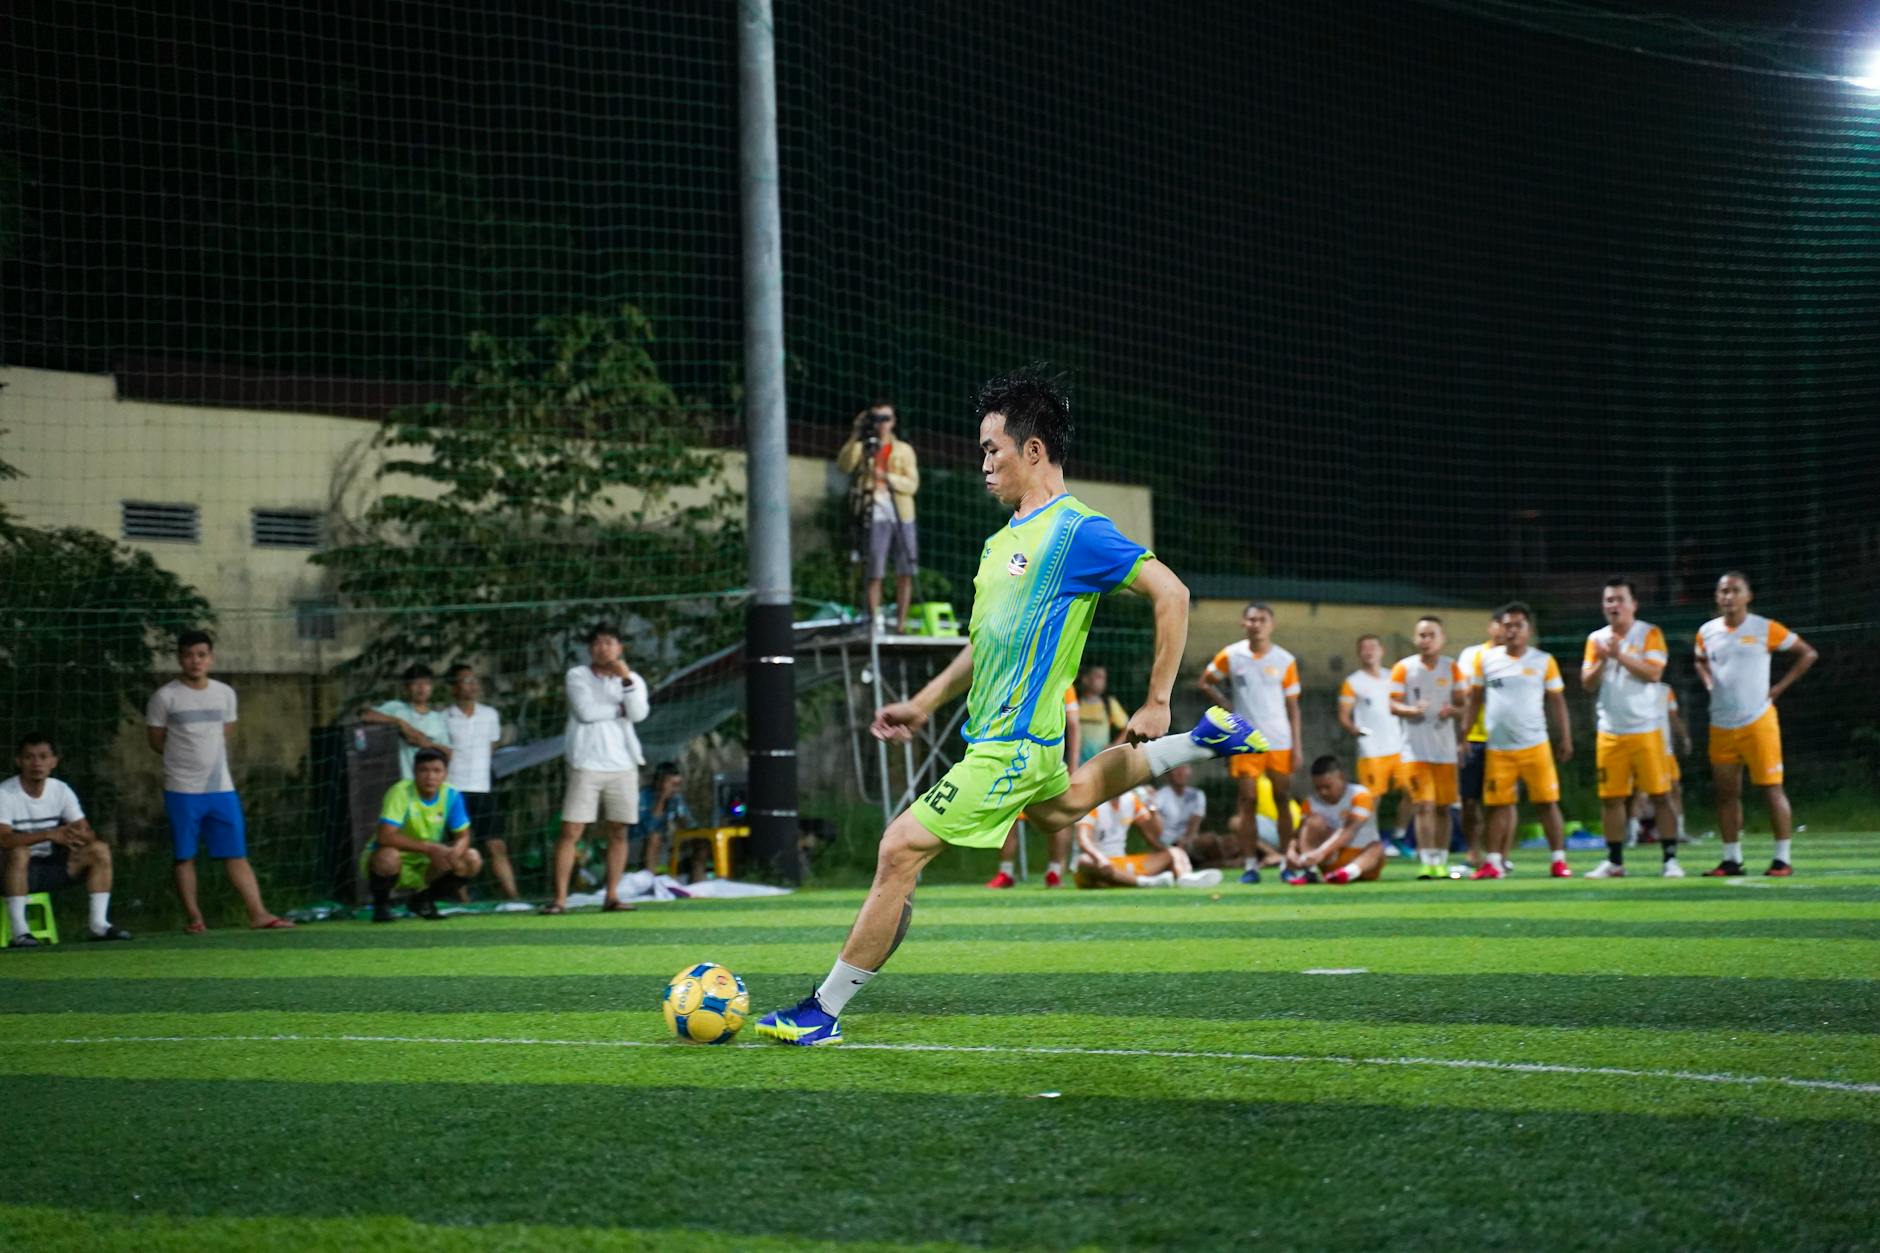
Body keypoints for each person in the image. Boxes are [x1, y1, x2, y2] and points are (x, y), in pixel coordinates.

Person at [755, 365, 1265, 1046]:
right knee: (1063, 805)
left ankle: (822, 1010)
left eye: (992, 449)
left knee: (899, 848)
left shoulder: (1075, 530)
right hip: (1012, 741)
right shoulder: (1001, 543)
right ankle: (1203, 741)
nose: (984, 464)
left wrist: (1156, 699)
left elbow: (1171, 592)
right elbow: (985, 644)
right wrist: (924, 702)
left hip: (1014, 746)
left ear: (1033, 450)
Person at [146, 631, 293, 932]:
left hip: (221, 788)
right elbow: (156, 740)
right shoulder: (165, 697)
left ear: (211, 658)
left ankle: (258, 913)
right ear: (180, 659)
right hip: (182, 789)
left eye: (201, 655)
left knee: (235, 852)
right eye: (189, 655)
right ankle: (195, 918)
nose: (195, 661)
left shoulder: (225, 694)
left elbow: (225, 731)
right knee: (184, 855)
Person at [1694, 570, 1817, 877]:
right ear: (1717, 596)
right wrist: (1708, 681)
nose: (1728, 596)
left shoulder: (1764, 628)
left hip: (1758, 722)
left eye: (1735, 590)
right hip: (1721, 724)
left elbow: (1807, 653)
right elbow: (1699, 658)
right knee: (1726, 794)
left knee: (1772, 789)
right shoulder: (1707, 632)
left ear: (1748, 596)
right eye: (1723, 591)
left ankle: (1782, 859)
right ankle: (1731, 860)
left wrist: (1779, 688)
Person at [1464, 603, 1573, 881]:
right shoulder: (1486, 659)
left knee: (1547, 803)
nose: (1512, 631)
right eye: (1507, 625)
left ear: (1529, 629)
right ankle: (1493, 862)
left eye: (1518, 625)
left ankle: (1558, 861)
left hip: (1535, 745)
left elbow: (1557, 701)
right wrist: (1463, 735)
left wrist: (1565, 737)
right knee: (1496, 805)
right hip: (1499, 748)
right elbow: (1474, 700)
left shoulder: (1543, 661)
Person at [545, 624, 650, 914]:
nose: (603, 648)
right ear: (590, 649)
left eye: (609, 642)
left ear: (620, 648)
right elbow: (586, 712)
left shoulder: (633, 679)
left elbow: (639, 713)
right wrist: (619, 709)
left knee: (619, 830)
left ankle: (612, 895)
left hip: (624, 764)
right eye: (597, 643)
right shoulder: (577, 675)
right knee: (572, 829)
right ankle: (560, 899)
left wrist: (626, 680)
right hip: (586, 763)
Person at [1580, 578, 1676, 879]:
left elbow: (1654, 673)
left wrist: (1620, 655)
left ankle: (1670, 860)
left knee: (1661, 795)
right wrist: (1603, 660)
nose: (1614, 605)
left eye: (1620, 599)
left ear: (1634, 604)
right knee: (1611, 798)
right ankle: (1614, 861)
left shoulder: (1649, 633)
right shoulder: (1596, 639)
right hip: (1610, 731)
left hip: (1646, 728)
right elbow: (1587, 683)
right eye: (1609, 600)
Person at [1200, 603, 1302, 883]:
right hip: (1244, 740)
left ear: (1272, 624)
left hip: (1280, 740)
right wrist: (1228, 707)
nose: (1257, 624)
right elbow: (1206, 682)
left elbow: (1293, 707)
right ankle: (1250, 865)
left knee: (1282, 798)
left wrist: (1297, 746)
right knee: (1247, 801)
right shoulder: (1232, 655)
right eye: (1252, 620)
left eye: (1262, 620)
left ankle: (1286, 861)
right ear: (1243, 624)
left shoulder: (1285, 660)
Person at [2, 734, 129, 945]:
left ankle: (99, 925)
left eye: (43, 757)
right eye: (29, 757)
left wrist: (79, 835)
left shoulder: (60, 790)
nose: (37, 763)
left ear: (54, 761)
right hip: (9, 870)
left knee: (99, 849)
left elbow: (87, 832)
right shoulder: (5, 793)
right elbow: (4, 840)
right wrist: (48, 834)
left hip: (49, 867)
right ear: (19, 761)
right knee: (19, 852)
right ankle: (20, 933)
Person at [363, 747, 483, 922]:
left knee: (472, 858)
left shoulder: (451, 794)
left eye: (436, 771)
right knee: (388, 856)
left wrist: (454, 854)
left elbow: (463, 836)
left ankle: (423, 901)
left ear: (445, 774)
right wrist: (430, 848)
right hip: (395, 860)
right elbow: (385, 837)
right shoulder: (400, 792)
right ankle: (381, 906)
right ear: (414, 772)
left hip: (427, 863)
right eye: (424, 770)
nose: (430, 776)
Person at [1389, 617, 1468, 879]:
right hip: (1414, 751)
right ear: (1415, 638)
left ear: (1442, 639)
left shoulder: (1452, 668)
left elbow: (1463, 706)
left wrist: (1452, 711)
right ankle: (1426, 860)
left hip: (1444, 751)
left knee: (1444, 807)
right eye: (1422, 635)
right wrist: (1411, 710)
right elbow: (1392, 704)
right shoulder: (1403, 668)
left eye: (1431, 635)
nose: (1426, 640)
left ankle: (1441, 860)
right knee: (1424, 805)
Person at [836, 400, 920, 633]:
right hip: (873, 512)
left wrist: (886, 477)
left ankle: (901, 624)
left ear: (893, 421)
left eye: (886, 418)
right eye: (876, 418)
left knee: (906, 569)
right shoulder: (863, 447)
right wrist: (856, 433)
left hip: (902, 513)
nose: (881, 424)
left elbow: (912, 484)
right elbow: (844, 465)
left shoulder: (904, 449)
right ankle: (875, 621)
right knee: (874, 568)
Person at [986, 687, 1082, 889]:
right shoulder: (1012, 680)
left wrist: (1073, 766)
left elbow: (1073, 724)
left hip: (1047, 758)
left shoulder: (1062, 682)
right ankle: (1005, 872)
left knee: (1059, 812)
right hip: (1015, 756)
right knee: (1008, 814)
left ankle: (1054, 871)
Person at [444, 664, 516, 901]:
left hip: (483, 788)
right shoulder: (444, 717)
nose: (472, 685)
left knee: (496, 845)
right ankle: (464, 901)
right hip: (455, 790)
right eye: (465, 680)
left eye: (474, 680)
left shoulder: (490, 715)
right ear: (453, 688)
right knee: (460, 846)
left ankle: (514, 897)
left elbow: (492, 746)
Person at [1071, 786, 1221, 889]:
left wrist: (1152, 807)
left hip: (1122, 864)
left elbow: (1154, 834)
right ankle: (1145, 882)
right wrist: (1099, 858)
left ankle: (1185, 877)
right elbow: (1083, 839)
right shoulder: (1093, 801)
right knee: (1084, 861)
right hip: (1097, 865)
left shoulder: (1131, 799)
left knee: (1175, 852)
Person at [1338, 633, 1407, 853]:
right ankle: (1374, 840)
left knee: (1413, 792)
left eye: (1373, 647)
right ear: (1359, 653)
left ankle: (1399, 835)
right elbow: (1344, 715)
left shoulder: (1393, 677)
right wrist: (1354, 729)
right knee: (1372, 798)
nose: (1369, 652)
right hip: (1371, 750)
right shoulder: (1353, 682)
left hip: (1398, 746)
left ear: (1381, 651)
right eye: (1364, 648)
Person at [1281, 756, 1386, 885]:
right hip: (1330, 860)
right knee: (1313, 821)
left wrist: (1321, 852)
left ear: (1341, 777)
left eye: (1327, 787)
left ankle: (1347, 873)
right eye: (1318, 788)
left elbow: (1349, 830)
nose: (1323, 792)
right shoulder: (1311, 802)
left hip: (1363, 860)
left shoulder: (1360, 795)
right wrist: (1291, 851)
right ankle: (1309, 869)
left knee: (1378, 847)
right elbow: (1298, 833)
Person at [1456, 613, 1504, 868]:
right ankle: (1473, 851)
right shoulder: (1472, 655)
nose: (1504, 630)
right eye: (1500, 624)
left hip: (1505, 740)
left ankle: (1500, 855)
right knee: (1468, 799)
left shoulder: (1520, 659)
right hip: (1475, 737)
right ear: (1490, 627)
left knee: (1502, 801)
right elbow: (1464, 693)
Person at [360, 664, 452, 781]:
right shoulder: (396, 708)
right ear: (406, 687)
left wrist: (425, 743)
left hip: (429, 782)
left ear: (431, 687)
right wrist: (400, 723)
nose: (421, 687)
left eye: (426, 683)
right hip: (402, 781)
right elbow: (365, 715)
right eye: (416, 683)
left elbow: (448, 754)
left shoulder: (438, 718)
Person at [634, 761, 695, 874]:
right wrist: (662, 799)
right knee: (655, 837)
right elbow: (648, 828)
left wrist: (684, 823)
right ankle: (650, 879)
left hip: (666, 838)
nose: (676, 789)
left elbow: (689, 823)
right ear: (660, 782)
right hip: (639, 838)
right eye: (673, 785)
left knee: (700, 841)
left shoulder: (676, 798)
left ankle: (699, 882)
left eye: (678, 785)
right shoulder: (644, 796)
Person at [1152, 764, 1209, 849]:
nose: (1180, 772)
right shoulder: (1159, 796)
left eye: (1184, 767)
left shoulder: (1197, 795)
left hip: (1189, 842)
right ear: (1167, 774)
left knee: (1210, 840)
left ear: (1190, 772)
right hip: (1167, 845)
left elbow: (1195, 823)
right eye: (1175, 768)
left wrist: (1186, 841)